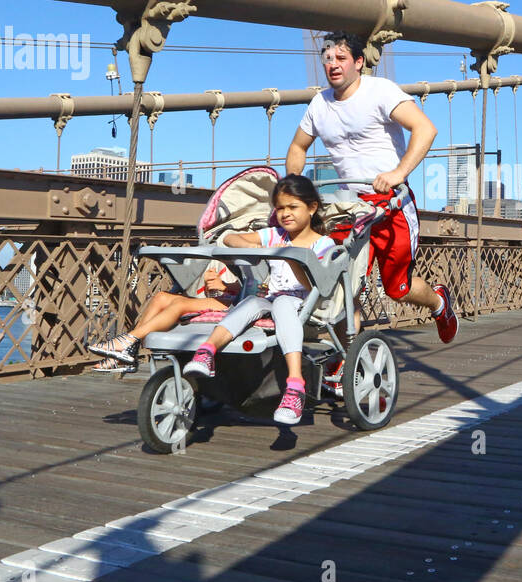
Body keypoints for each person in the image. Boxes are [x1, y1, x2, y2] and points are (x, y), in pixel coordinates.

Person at [287, 30, 458, 388]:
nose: (332, 65)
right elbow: (299, 147)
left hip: (392, 205)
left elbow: (425, 129)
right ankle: (347, 358)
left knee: (397, 288)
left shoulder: (380, 91)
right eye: (328, 59)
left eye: (340, 58)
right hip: (348, 209)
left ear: (359, 62)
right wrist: (293, 188)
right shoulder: (319, 104)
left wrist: (397, 173)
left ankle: (440, 302)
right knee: (340, 287)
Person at [182, 174, 336, 426]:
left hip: (305, 303)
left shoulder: (323, 245)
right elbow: (228, 236)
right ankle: (207, 352)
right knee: (250, 303)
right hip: (271, 299)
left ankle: (295, 384)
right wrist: (247, 244)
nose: (286, 214)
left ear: (312, 207)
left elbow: (317, 286)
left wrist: (293, 259)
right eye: (280, 208)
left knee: (284, 304)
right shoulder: (276, 235)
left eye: (293, 207)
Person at [88, 262, 241, 373]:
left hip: (238, 302)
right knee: (161, 297)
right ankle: (128, 351)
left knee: (180, 304)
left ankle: (127, 342)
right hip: (222, 297)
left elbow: (258, 284)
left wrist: (223, 286)